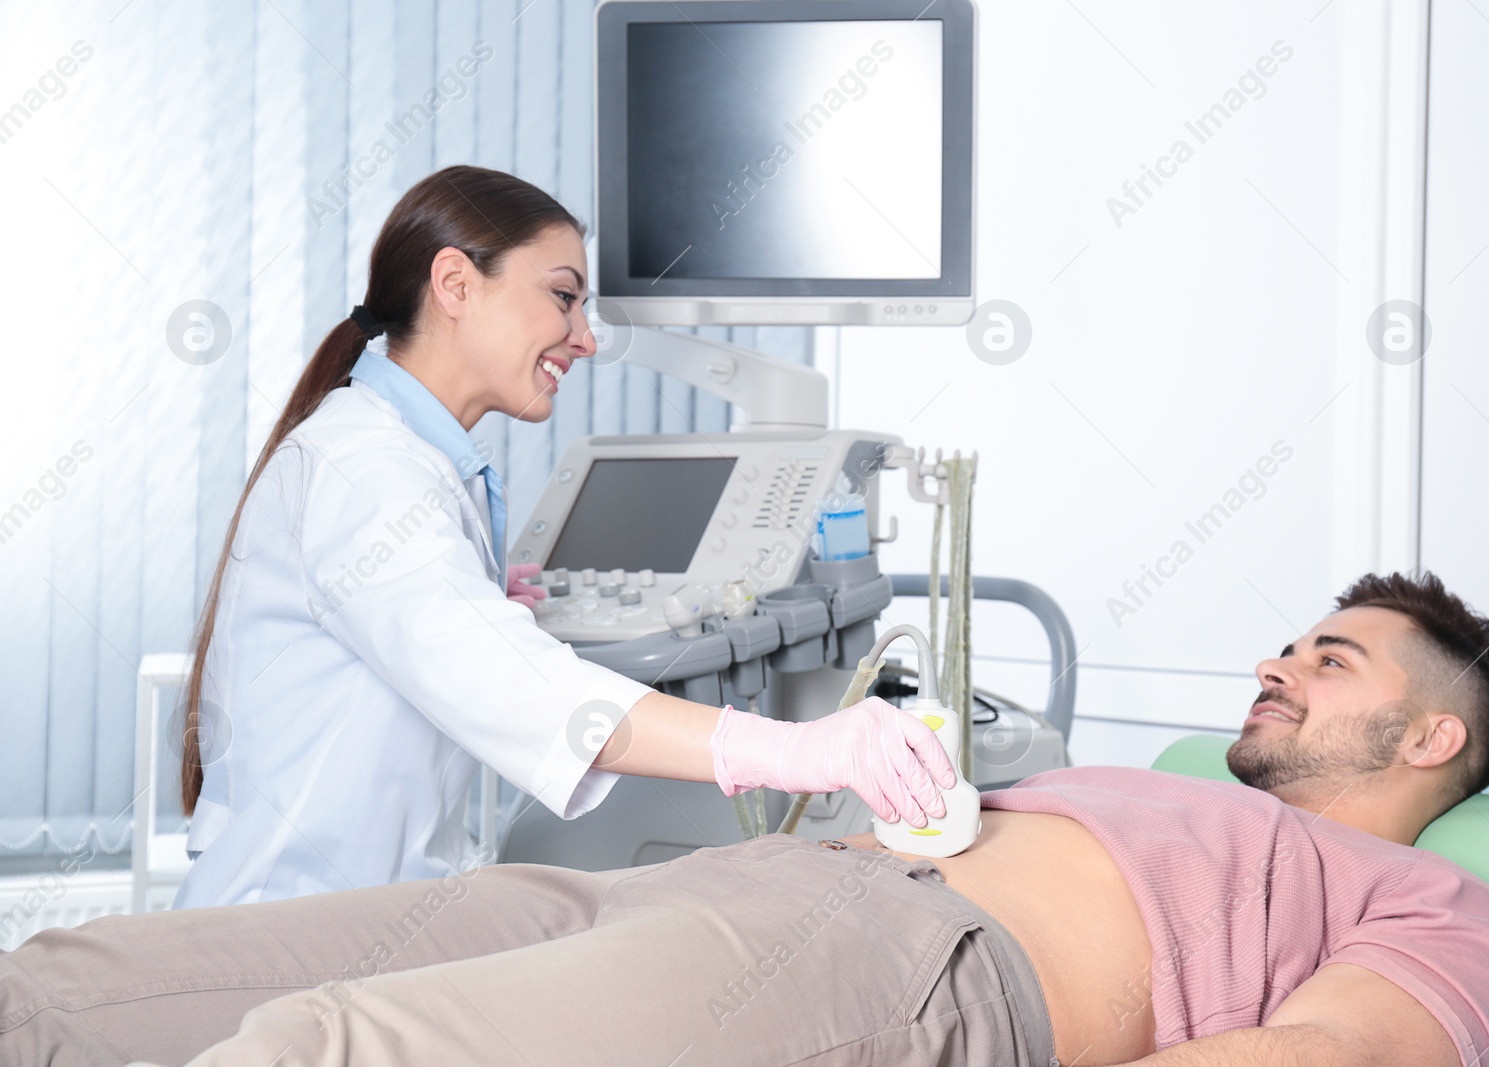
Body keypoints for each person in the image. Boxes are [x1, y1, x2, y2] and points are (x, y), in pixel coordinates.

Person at [0, 571, 1489, 1067]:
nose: (1278, 661)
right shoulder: (1156, 783)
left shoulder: (1439, 904)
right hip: (718, 887)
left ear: (1432, 732)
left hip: (908, 955)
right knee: (73, 983)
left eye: (1330, 658)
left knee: (335, 1044)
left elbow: (1315, 1058)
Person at [170, 164, 955, 909]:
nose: (582, 337)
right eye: (563, 297)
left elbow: (457, 656)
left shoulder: (414, 461)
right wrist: (798, 750)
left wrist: (478, 601)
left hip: (359, 914)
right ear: (454, 284)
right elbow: (516, 688)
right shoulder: (366, 470)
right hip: (289, 931)